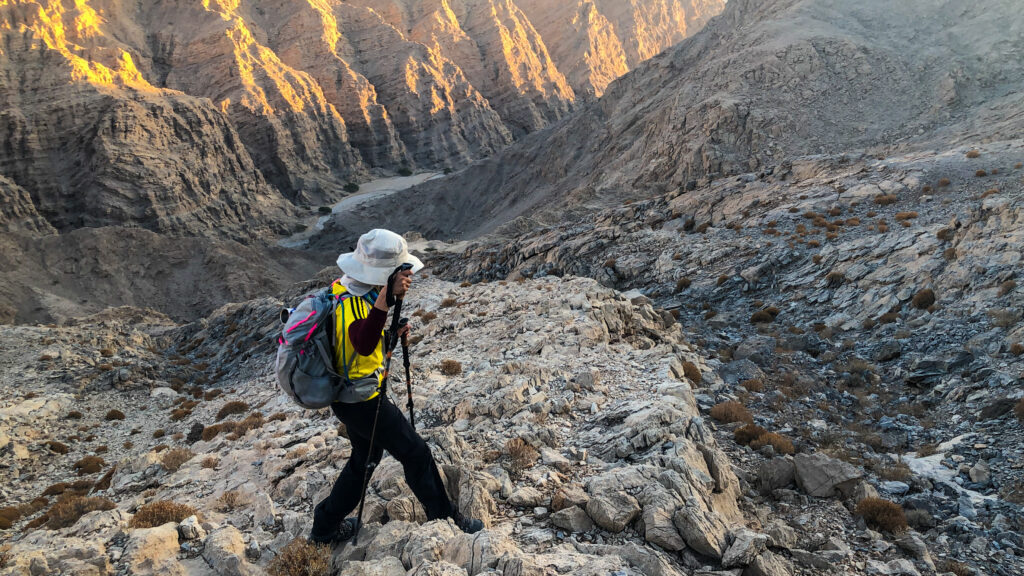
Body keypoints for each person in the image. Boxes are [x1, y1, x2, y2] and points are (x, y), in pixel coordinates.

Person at [308, 229, 483, 545]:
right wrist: (386, 301)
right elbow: (360, 343)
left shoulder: (347, 290)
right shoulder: (358, 301)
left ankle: (324, 526)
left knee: (365, 459)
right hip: (361, 400)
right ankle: (446, 518)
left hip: (348, 397)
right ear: (385, 275)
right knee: (416, 453)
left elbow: (354, 341)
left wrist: (388, 334)